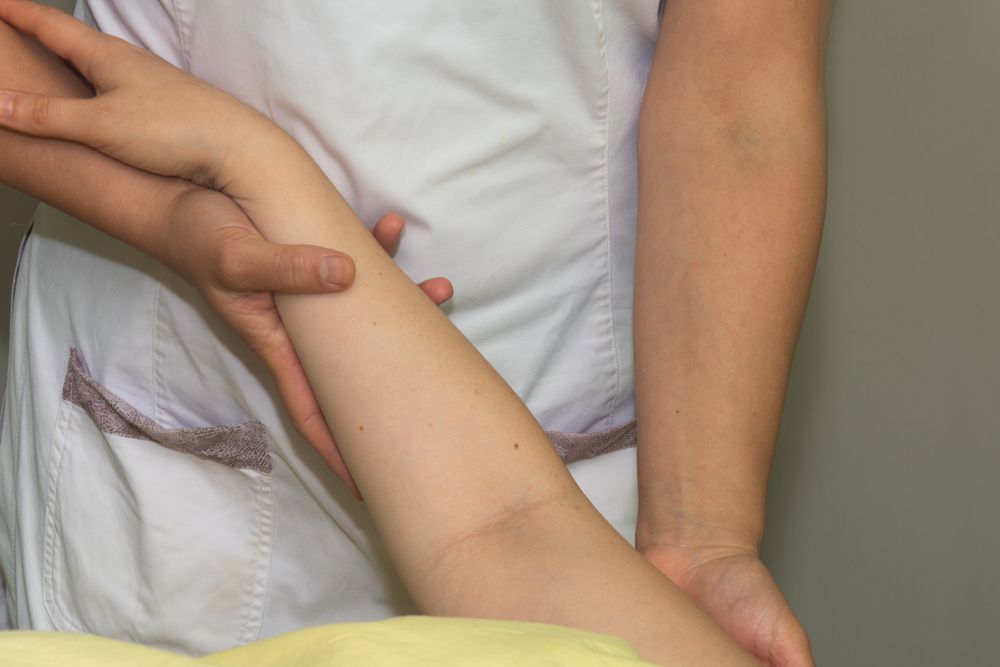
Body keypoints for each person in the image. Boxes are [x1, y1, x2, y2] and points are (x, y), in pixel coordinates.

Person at [0, 1, 829, 664]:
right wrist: (167, 209)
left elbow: (742, 99)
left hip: (560, 435)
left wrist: (703, 535)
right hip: (173, 406)